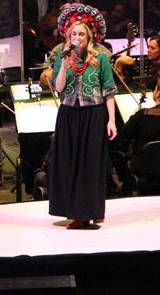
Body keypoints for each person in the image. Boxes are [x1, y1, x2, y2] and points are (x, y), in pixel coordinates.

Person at [49, 20, 117, 229]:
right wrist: (63, 67)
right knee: (69, 163)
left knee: (90, 165)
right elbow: (59, 88)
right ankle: (75, 212)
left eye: (81, 34)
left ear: (88, 38)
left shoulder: (100, 59)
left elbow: (109, 91)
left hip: (93, 115)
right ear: (68, 38)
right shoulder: (63, 59)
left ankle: (90, 212)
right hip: (68, 115)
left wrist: (112, 120)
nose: (77, 38)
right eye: (73, 34)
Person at [111, 76, 160, 195]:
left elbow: (124, 134)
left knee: (115, 146)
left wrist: (134, 117)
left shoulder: (143, 115)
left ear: (158, 93)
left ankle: (123, 185)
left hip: (146, 170)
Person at [20, 0, 69, 72]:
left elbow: (66, 0)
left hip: (49, 26)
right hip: (33, 29)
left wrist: (68, 5)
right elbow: (26, 20)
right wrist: (50, 32)